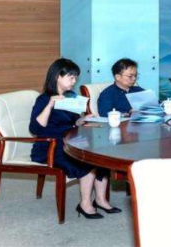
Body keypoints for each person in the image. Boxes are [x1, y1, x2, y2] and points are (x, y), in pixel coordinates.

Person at [30, 58, 120, 219]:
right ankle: (85, 204)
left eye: (75, 78)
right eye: (71, 77)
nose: (74, 81)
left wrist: (81, 120)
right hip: (49, 146)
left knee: (100, 158)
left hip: (69, 142)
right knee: (85, 161)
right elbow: (35, 129)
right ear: (57, 76)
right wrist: (50, 105)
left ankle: (101, 200)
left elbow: (71, 123)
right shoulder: (44, 99)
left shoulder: (70, 98)